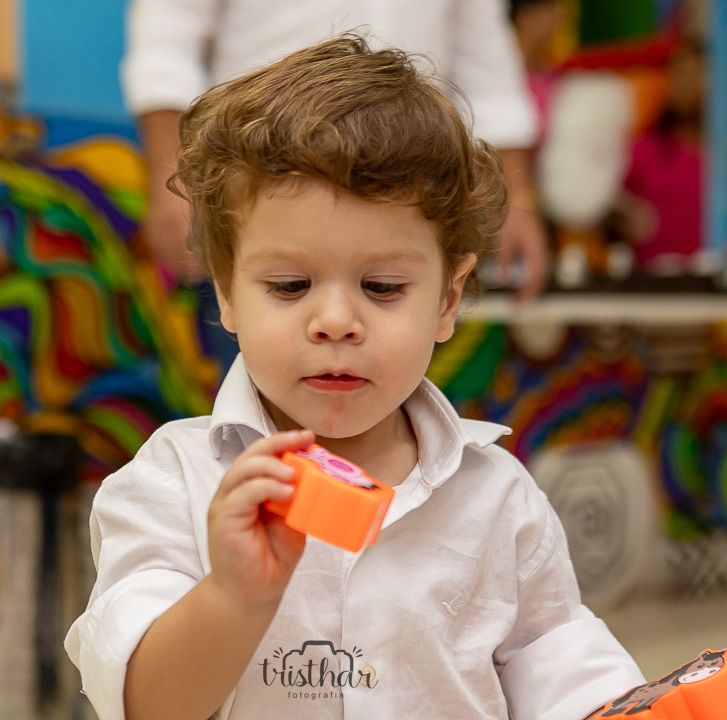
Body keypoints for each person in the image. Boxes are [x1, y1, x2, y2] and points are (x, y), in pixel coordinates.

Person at [66, 36, 644, 720]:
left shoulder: (499, 500)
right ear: (226, 294)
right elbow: (145, 704)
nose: (336, 322)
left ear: (449, 298)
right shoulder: (176, 484)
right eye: (290, 285)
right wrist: (232, 596)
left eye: (382, 286)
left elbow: (564, 666)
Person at [124, 0, 550, 304]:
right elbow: (167, 33)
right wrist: (172, 179)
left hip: (414, 195)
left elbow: (484, 55)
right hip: (266, 183)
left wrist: (518, 197)